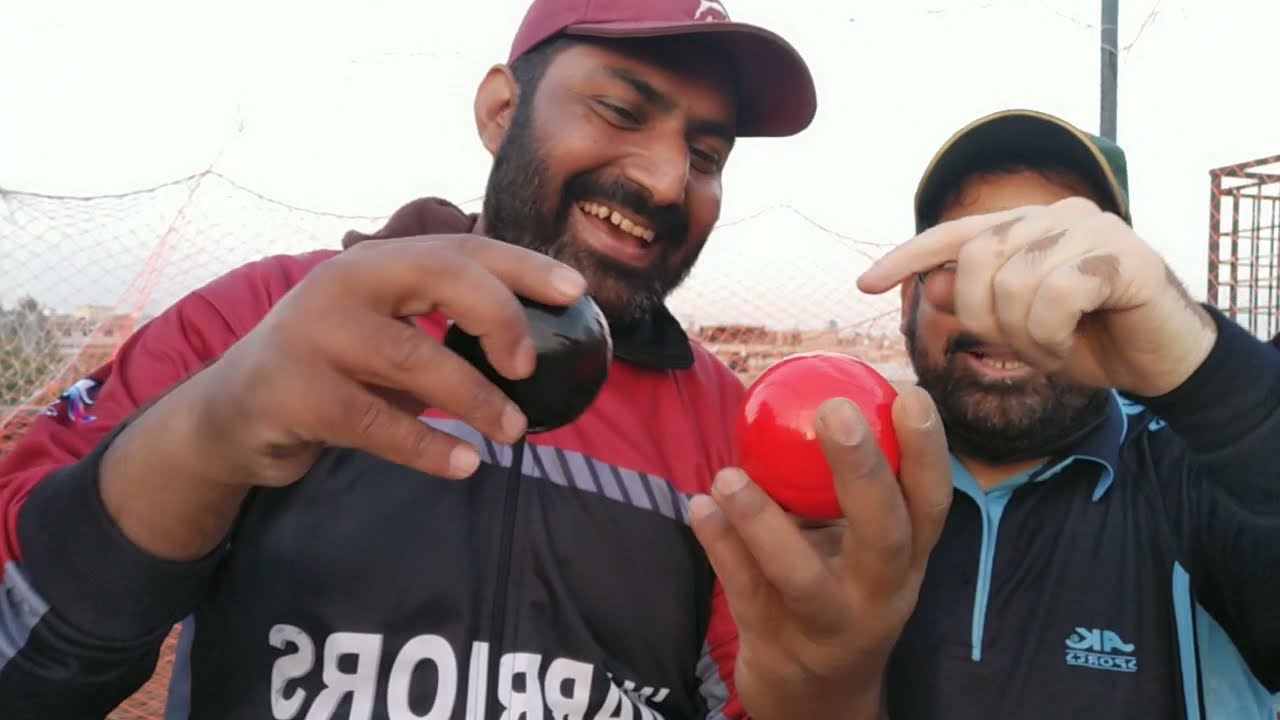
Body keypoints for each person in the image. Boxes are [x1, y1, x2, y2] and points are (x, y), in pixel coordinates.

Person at [0, 1, 954, 718]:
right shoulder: (267, 318)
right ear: (502, 110)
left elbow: (757, 695)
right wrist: (211, 432)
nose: (669, 179)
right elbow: (26, 659)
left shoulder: (722, 419)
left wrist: (829, 692)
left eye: (707, 154)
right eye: (622, 109)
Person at [855, 108, 1280, 718]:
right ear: (908, 298)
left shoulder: (1200, 482)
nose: (999, 307)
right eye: (962, 262)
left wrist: (1204, 372)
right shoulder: (853, 485)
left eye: (1045, 263)